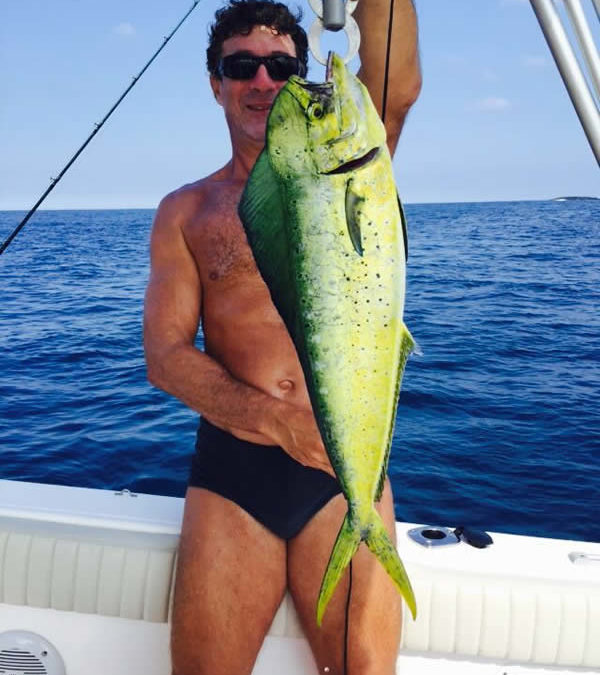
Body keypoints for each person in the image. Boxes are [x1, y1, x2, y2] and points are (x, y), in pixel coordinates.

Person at [143, 1, 420, 673]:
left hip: (343, 469)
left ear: (302, 78)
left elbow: (397, 87)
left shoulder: (353, 154)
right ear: (216, 84)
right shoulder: (185, 210)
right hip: (235, 467)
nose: (262, 81)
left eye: (280, 67)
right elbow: (166, 356)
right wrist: (274, 420)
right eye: (241, 66)